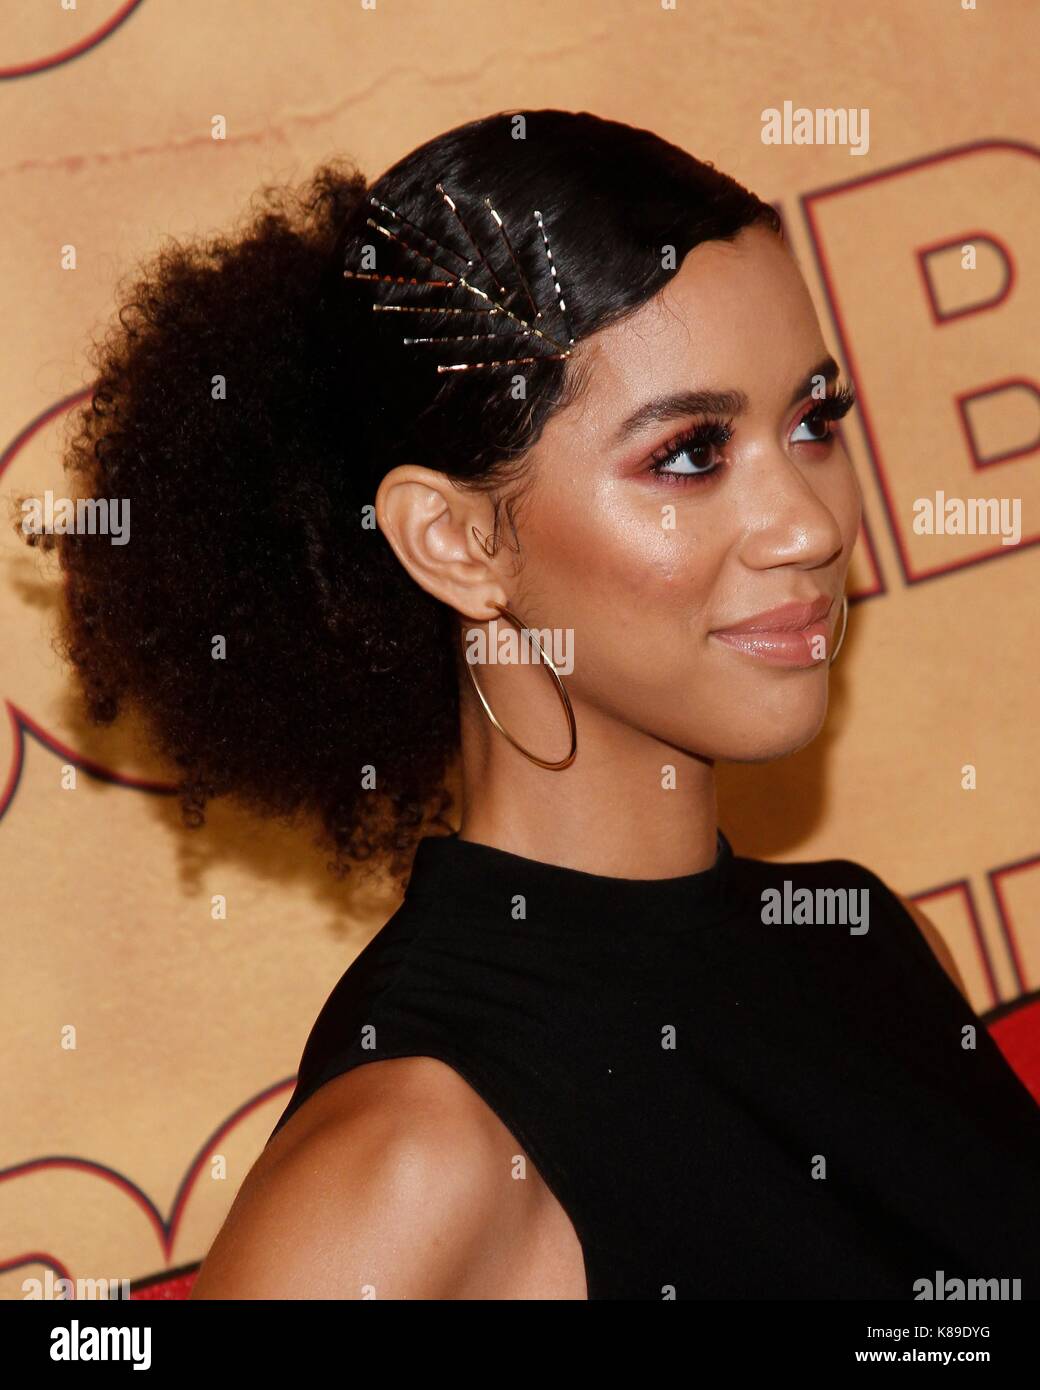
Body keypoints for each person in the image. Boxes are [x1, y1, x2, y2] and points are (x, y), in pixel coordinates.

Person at [54, 109, 1039, 1300]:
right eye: (688, 452)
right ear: (457, 540)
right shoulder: (412, 1163)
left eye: (812, 420)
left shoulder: (865, 940)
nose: (811, 523)